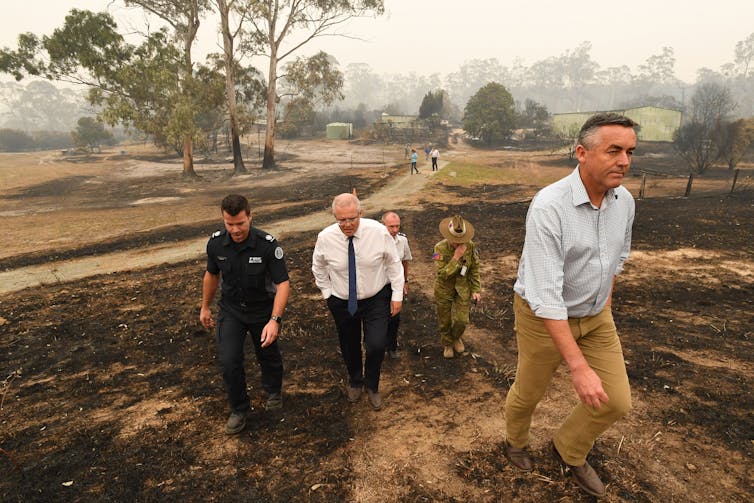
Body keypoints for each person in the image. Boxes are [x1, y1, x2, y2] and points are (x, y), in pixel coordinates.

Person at [503, 113, 638, 498]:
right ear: (582, 152)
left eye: (629, 152)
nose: (624, 161)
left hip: (596, 316)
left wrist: (603, 303)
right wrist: (578, 367)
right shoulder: (550, 206)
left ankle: (568, 448)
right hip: (540, 317)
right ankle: (515, 440)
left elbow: (618, 257)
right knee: (529, 392)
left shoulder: (624, 201)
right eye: (614, 150)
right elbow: (546, 296)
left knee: (616, 400)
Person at [199, 194, 290, 435]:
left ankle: (273, 390)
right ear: (223, 219)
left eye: (240, 223)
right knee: (229, 360)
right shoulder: (216, 244)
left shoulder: (268, 245)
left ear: (250, 216)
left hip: (262, 310)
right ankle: (239, 409)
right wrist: (205, 306)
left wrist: (275, 320)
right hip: (231, 311)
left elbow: (283, 284)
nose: (235, 229)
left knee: (267, 354)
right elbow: (212, 275)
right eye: (230, 224)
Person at [312, 193, 404, 410]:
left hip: (376, 298)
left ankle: (372, 385)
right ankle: (355, 380)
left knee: (376, 344)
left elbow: (393, 263)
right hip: (343, 300)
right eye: (341, 220)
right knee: (349, 344)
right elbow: (319, 267)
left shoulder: (378, 232)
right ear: (334, 217)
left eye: (352, 218)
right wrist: (328, 294)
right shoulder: (325, 238)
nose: (347, 224)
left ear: (360, 213)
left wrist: (397, 295)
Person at [433, 215, 481, 359]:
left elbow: (474, 268)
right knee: (445, 320)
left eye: (461, 240)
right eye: (455, 241)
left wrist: (476, 289)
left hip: (462, 289)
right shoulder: (439, 248)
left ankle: (455, 337)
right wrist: (456, 258)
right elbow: (441, 274)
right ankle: (447, 343)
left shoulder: (470, 246)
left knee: (462, 320)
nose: (458, 243)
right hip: (444, 289)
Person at [381, 211, 412, 359]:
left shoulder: (402, 241)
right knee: (378, 318)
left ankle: (392, 347)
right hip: (378, 286)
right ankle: (374, 346)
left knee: (394, 318)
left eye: (397, 226)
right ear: (383, 226)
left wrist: (405, 281)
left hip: (395, 285)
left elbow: (404, 261)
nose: (394, 230)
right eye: (390, 226)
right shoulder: (375, 241)